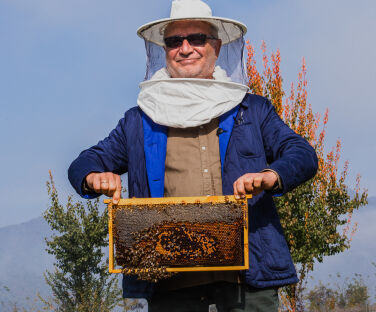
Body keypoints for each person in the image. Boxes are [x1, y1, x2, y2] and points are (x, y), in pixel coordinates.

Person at [68, 0, 318, 311]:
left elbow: (302, 154)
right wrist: (94, 177)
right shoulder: (140, 119)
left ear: (215, 46)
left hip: (246, 277)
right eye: (174, 41)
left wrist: (270, 176)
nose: (185, 48)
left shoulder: (253, 109)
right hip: (170, 283)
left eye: (196, 39)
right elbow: (84, 163)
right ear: (164, 50)